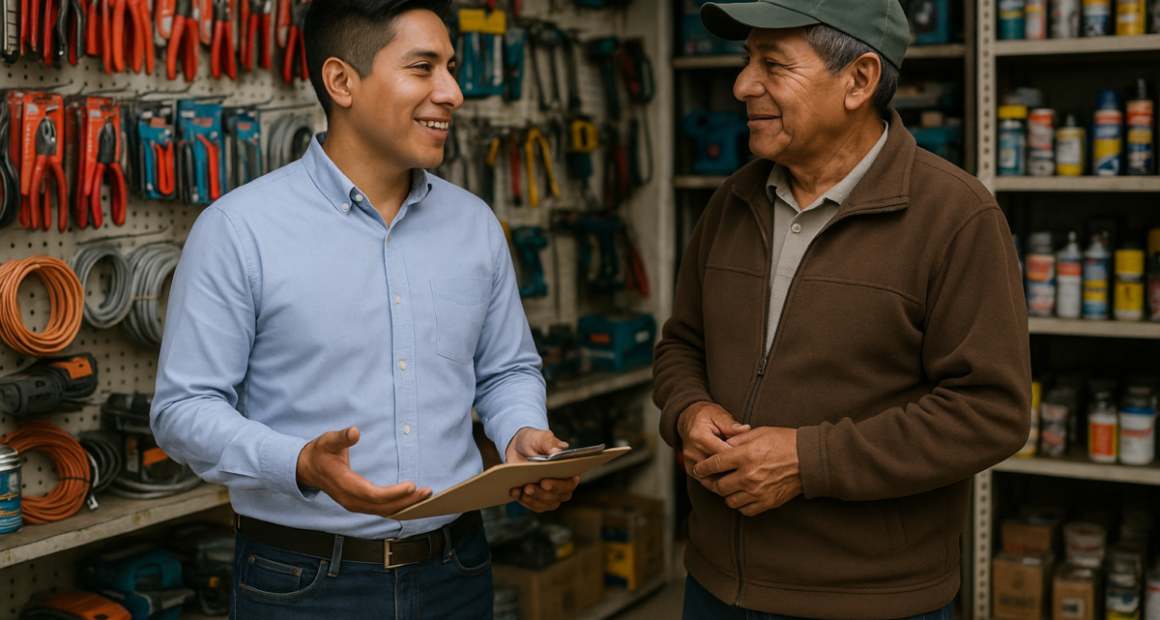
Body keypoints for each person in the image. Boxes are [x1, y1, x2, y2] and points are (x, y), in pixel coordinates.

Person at [150, 0, 578, 617]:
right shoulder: (239, 230)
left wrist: (521, 433)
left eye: (450, 67)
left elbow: (506, 369)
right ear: (341, 81)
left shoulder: (474, 224)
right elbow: (182, 410)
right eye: (423, 67)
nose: (453, 92)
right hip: (303, 584)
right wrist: (300, 463)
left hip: (457, 570)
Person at [653, 0, 1031, 618]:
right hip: (716, 586)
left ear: (859, 80)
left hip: (871, 600)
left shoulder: (957, 217)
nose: (743, 84)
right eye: (748, 60)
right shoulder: (732, 202)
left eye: (773, 64)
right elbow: (681, 346)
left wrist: (808, 461)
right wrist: (688, 409)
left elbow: (990, 411)